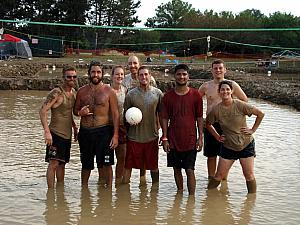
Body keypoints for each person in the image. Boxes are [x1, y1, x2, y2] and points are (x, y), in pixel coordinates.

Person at [206, 80, 264, 193]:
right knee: (218, 176)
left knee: (249, 175)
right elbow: (208, 124)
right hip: (228, 147)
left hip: (246, 145)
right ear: (219, 92)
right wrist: (217, 136)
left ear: (232, 91)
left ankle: (251, 203)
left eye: (228, 89)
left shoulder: (240, 104)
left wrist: (253, 129)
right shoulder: (216, 110)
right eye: (222, 89)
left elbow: (260, 114)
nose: (225, 91)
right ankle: (207, 197)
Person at [199, 59, 248, 180]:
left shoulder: (232, 85)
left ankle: (223, 179)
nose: (218, 70)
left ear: (225, 69)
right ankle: (211, 179)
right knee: (211, 155)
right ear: (211, 70)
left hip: (228, 125)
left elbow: (244, 101)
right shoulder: (206, 86)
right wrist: (201, 118)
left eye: (220, 68)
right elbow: (194, 102)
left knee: (226, 155)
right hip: (211, 124)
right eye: (215, 68)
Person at [73, 61, 119, 187]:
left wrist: (115, 135)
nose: (96, 74)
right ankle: (84, 191)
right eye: (93, 72)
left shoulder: (109, 91)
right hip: (86, 132)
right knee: (86, 165)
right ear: (89, 73)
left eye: (98, 72)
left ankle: (108, 191)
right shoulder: (82, 91)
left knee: (106, 163)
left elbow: (115, 114)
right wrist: (80, 113)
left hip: (103, 132)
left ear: (102, 74)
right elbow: (75, 111)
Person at [160, 64, 203, 195]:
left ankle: (191, 199)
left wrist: (200, 137)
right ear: (175, 76)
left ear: (188, 76)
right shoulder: (167, 97)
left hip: (190, 139)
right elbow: (164, 119)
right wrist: (165, 138)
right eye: (179, 74)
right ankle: (179, 195)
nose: (181, 77)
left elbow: (200, 117)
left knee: (190, 169)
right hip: (173, 139)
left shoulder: (196, 95)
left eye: (184, 74)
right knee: (176, 169)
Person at [123, 65, 163, 185]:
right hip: (134, 137)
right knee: (128, 165)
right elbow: (125, 115)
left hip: (152, 136)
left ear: (150, 76)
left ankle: (155, 193)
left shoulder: (158, 94)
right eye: (141, 75)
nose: (144, 77)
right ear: (138, 77)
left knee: (153, 166)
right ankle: (123, 193)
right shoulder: (131, 94)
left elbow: (162, 115)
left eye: (146, 74)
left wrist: (160, 130)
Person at [39, 66, 78, 188]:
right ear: (63, 78)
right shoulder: (56, 93)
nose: (71, 79)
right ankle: (50, 194)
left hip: (67, 135)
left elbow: (68, 113)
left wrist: (75, 127)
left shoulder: (73, 94)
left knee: (62, 163)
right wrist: (47, 132)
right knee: (54, 163)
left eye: (74, 76)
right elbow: (42, 111)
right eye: (69, 77)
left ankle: (60, 192)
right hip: (55, 133)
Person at [110, 65, 128, 185]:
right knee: (106, 159)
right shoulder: (105, 89)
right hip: (107, 127)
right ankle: (106, 182)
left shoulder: (125, 90)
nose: (119, 76)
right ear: (112, 76)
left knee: (122, 157)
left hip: (122, 126)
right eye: (117, 74)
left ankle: (118, 181)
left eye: (122, 74)